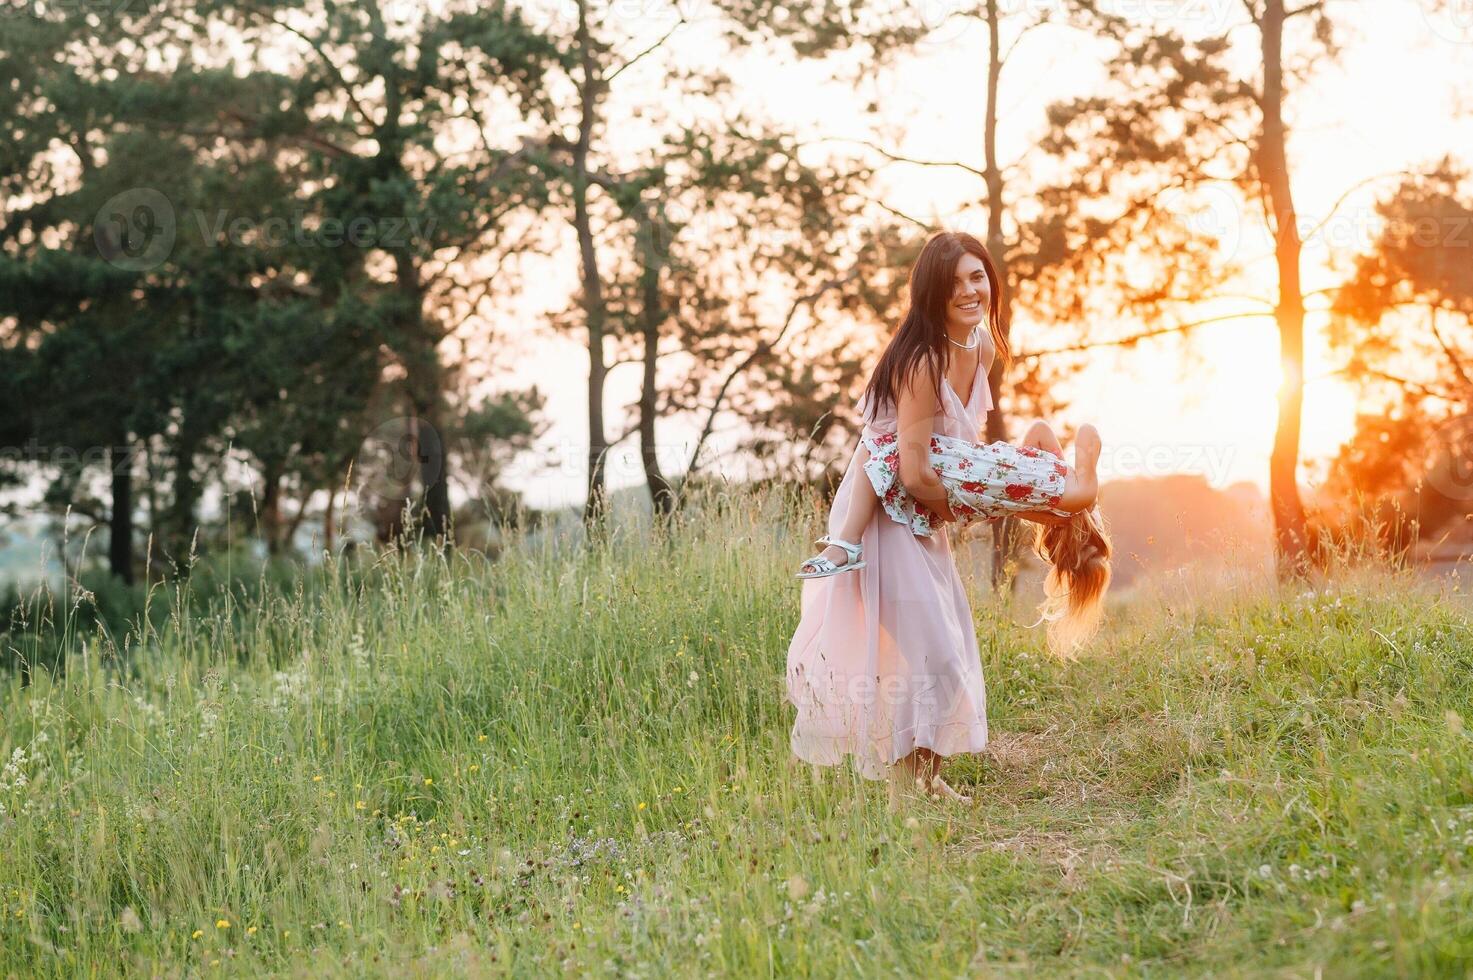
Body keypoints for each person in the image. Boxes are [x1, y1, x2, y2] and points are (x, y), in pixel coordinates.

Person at [784, 230, 1109, 804]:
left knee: (941, 648)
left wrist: (978, 492)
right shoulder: (921, 360)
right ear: (931, 294)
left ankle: (920, 782)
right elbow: (910, 470)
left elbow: (958, 439)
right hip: (888, 511)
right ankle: (912, 787)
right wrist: (961, 506)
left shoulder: (979, 348)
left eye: (977, 276)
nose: (968, 290)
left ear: (990, 282)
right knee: (934, 650)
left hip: (927, 508)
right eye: (954, 282)